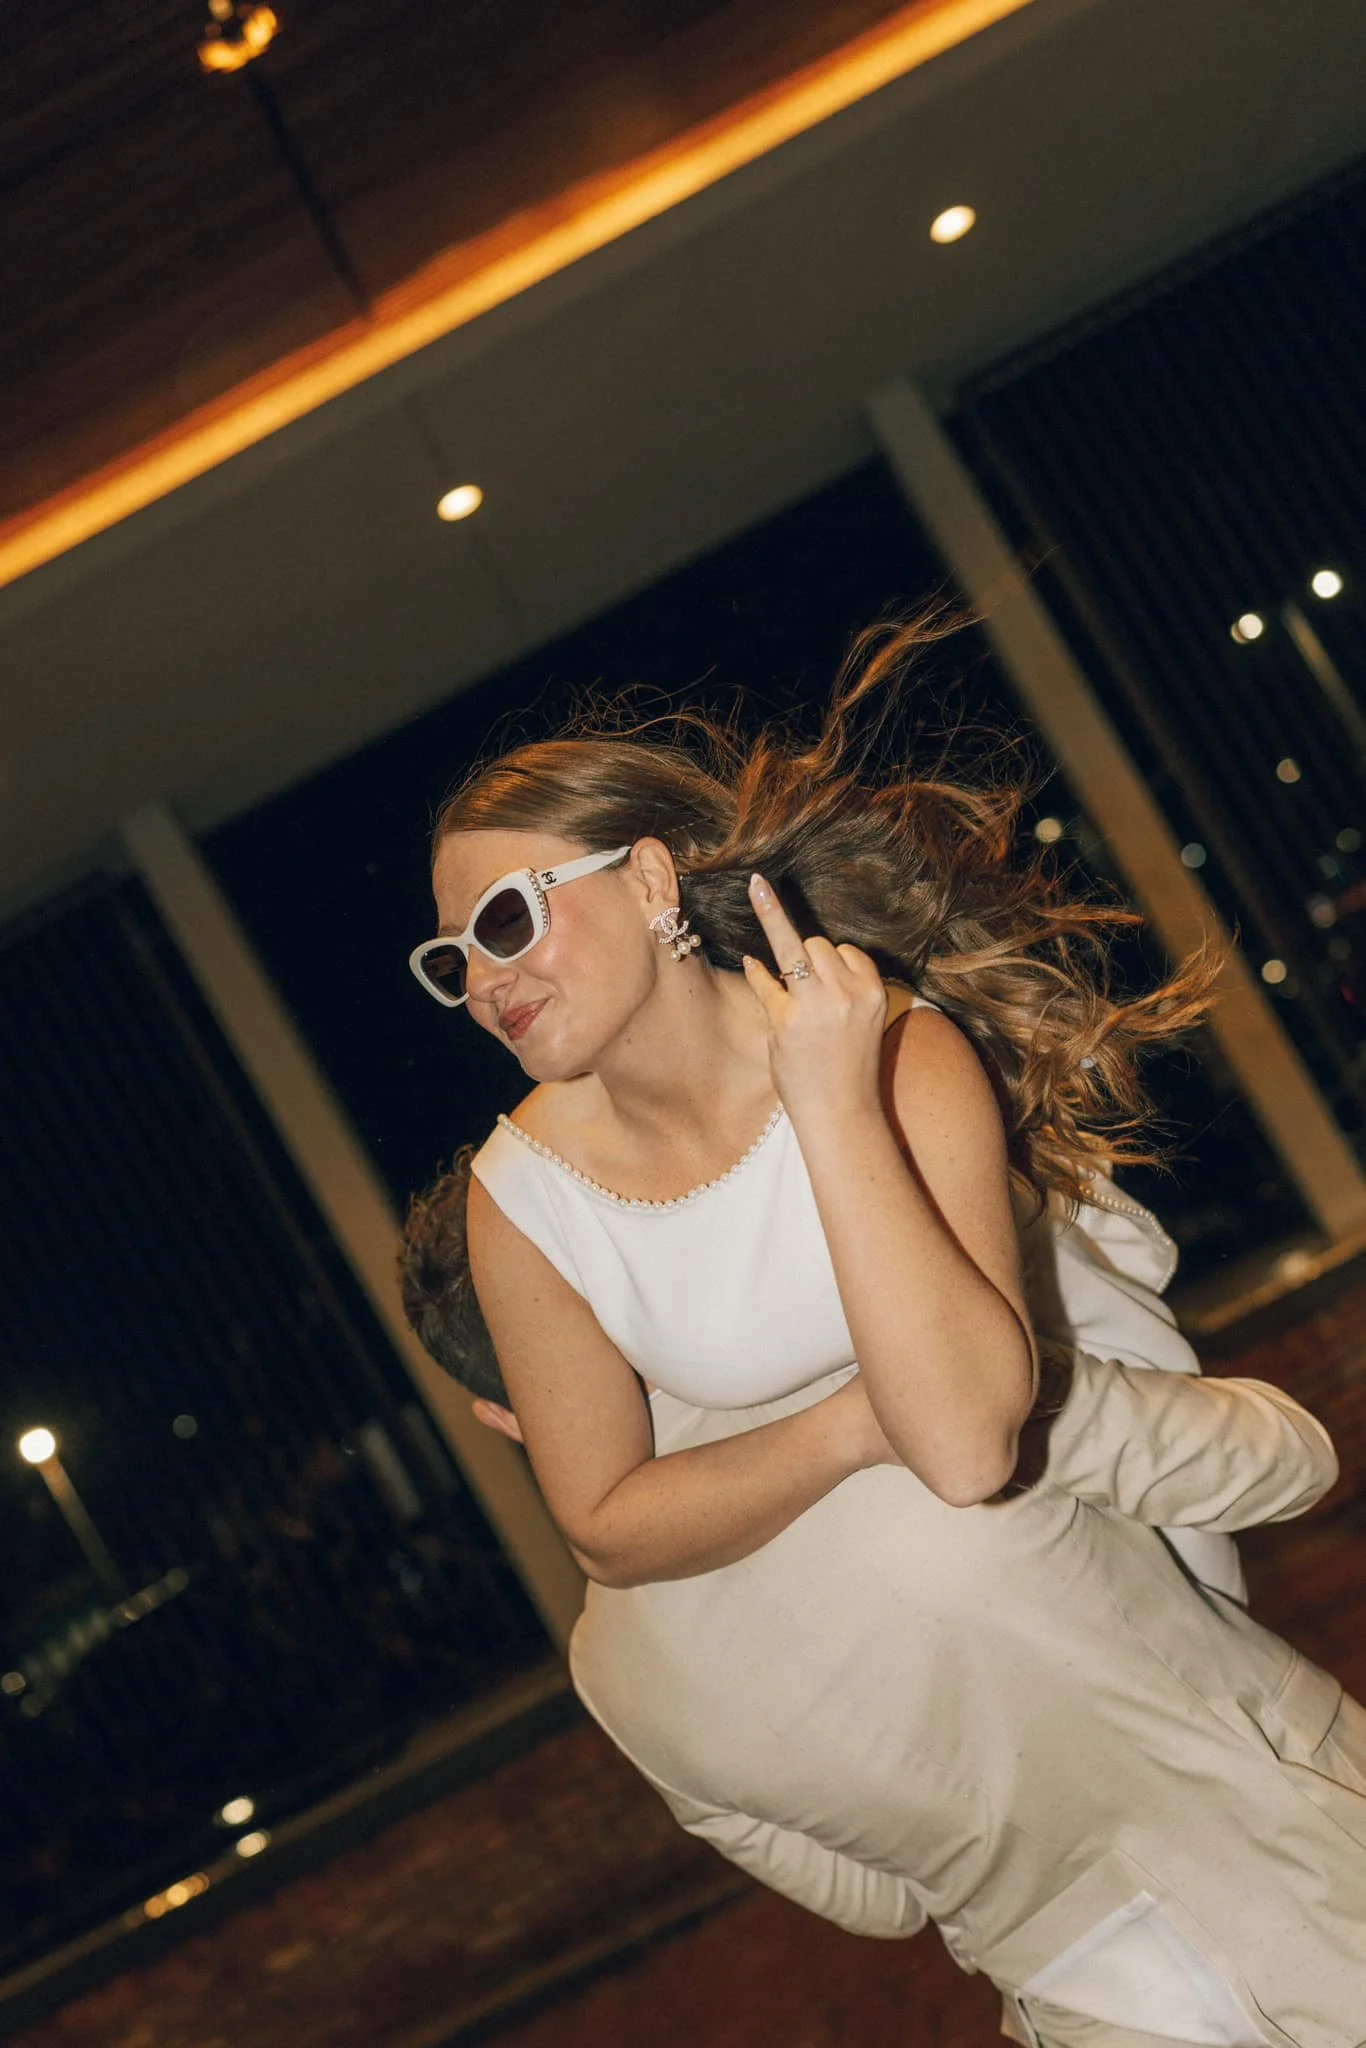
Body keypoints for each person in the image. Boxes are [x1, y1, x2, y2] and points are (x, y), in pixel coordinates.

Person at [403, 619, 1366, 2046]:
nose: (483, 980)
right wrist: (860, 1423)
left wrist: (830, 1095)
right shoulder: (517, 1197)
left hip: (1251, 1810)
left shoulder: (887, 1044)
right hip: (1118, 1911)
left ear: (651, 877)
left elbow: (973, 1440)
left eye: (504, 922)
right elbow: (606, 1522)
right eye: (451, 959)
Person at [401, 1160, 1345, 2047]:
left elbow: (882, 1904)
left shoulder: (608, 1669)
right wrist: (1044, 1376)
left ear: (504, 1418)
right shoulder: (914, 1375)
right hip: (1324, 1869)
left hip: (1094, 2010)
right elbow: (1285, 1468)